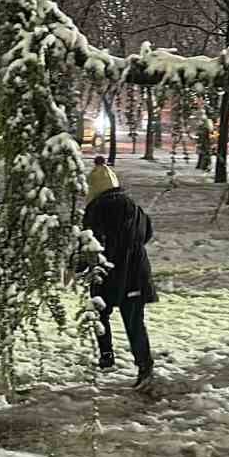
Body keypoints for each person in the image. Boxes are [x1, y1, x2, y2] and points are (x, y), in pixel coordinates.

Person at [82, 157, 157, 389]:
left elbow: (88, 243)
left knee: (99, 314)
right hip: (135, 273)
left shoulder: (95, 210)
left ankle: (106, 356)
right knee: (135, 322)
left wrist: (79, 266)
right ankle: (145, 367)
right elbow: (147, 234)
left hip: (108, 273)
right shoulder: (134, 208)